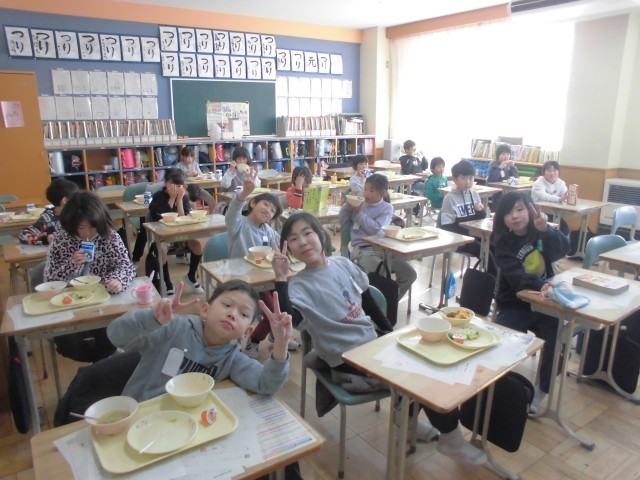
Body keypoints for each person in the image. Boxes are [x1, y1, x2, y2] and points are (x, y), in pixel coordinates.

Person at [272, 212, 487, 465]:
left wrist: (387, 331)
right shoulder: (298, 286)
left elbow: (367, 300)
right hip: (346, 357)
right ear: (289, 249)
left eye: (307, 233)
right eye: (293, 239)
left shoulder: (342, 264)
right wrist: (280, 278)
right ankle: (450, 440)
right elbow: (290, 319)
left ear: (320, 234)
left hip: (371, 343)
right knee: (421, 373)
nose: (303, 242)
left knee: (429, 358)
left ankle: (409, 423)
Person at [107, 280, 292, 402]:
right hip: (139, 415)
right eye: (227, 305)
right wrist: (152, 319)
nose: (232, 314)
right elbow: (115, 335)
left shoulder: (232, 359)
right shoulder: (173, 328)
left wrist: (281, 344)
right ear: (205, 310)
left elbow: (265, 384)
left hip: (184, 426)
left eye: (243, 314)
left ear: (246, 332)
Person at [491, 191, 570, 413]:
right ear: (502, 219)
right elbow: (517, 279)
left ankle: (542, 389)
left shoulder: (540, 232)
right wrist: (540, 285)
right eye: (508, 213)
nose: (515, 216)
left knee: (556, 338)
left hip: (546, 303)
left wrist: (546, 230)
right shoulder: (503, 244)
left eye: (520, 209)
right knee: (501, 337)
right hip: (516, 302)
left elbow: (563, 249)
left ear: (530, 209)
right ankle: (498, 384)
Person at [225, 170, 299, 357]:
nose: (268, 210)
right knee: (272, 313)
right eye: (265, 204)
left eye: (273, 210)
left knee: (285, 305)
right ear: (253, 203)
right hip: (242, 279)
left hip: (266, 278)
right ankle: (255, 340)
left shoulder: (267, 230)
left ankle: (276, 335)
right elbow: (232, 212)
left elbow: (281, 244)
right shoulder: (238, 224)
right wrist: (243, 193)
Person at [339, 173, 417, 300]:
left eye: (372, 190)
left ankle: (388, 303)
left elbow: (375, 230)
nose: (366, 193)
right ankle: (379, 303)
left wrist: (359, 213)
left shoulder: (387, 208)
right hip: (362, 250)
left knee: (410, 274)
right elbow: (342, 221)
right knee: (382, 271)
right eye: (365, 189)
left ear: (383, 193)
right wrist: (348, 205)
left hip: (385, 250)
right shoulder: (359, 204)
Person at [44, 190, 135, 293]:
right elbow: (49, 280)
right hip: (70, 295)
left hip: (103, 293)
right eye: (81, 227)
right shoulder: (61, 240)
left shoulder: (110, 237)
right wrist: (72, 264)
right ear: (71, 224)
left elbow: (126, 267)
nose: (87, 232)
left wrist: (118, 280)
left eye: (93, 226)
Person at [149, 169, 204, 295]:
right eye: (172, 185)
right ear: (166, 183)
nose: (176, 188)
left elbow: (184, 217)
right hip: (163, 235)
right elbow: (158, 217)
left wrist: (179, 199)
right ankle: (168, 284)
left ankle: (191, 277)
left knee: (197, 244)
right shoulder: (158, 196)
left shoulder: (183, 197)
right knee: (162, 249)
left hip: (181, 233)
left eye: (179, 186)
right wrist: (172, 198)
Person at [439, 159, 486, 258]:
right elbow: (446, 226)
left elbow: (481, 219)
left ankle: (491, 268)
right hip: (458, 238)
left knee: (494, 245)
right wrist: (468, 232)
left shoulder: (474, 194)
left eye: (471, 178)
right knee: (484, 250)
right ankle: (488, 268)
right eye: (463, 178)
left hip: (474, 235)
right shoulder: (449, 198)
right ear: (454, 179)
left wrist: (480, 211)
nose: (468, 182)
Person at [19, 178, 78, 245]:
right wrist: (45, 239)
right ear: (65, 200)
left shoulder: (80, 215)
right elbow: (23, 236)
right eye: (76, 199)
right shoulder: (48, 217)